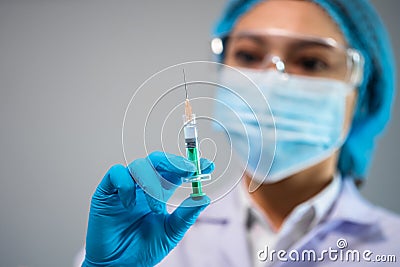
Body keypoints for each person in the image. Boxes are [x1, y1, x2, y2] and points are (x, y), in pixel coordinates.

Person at [78, 0, 399, 266]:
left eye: (311, 62)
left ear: (362, 94)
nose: (271, 82)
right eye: (248, 56)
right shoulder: (153, 237)